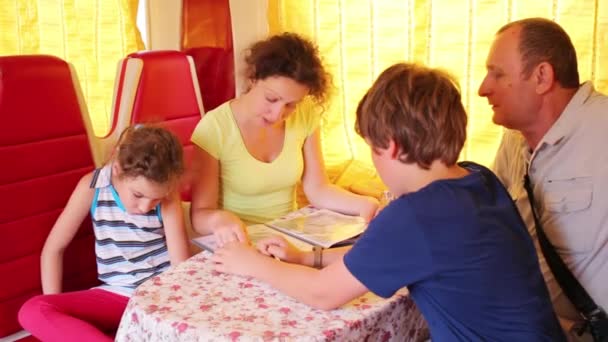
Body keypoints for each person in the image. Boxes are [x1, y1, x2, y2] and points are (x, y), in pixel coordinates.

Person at [212, 62, 566, 341]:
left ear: (391, 147)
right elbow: (381, 257)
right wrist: (306, 257)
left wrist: (252, 264)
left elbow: (322, 294)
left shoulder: (416, 215)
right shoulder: (478, 179)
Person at [478, 17, 608, 336]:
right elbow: (493, 225)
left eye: (497, 74)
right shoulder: (515, 139)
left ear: (542, 76)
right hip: (535, 325)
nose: (483, 88)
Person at [190, 32, 379, 246]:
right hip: (241, 243)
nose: (278, 114)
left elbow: (318, 189)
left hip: (290, 240)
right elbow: (200, 214)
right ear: (253, 79)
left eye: (291, 104)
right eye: (271, 99)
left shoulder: (305, 114)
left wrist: (366, 205)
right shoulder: (215, 128)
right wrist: (221, 220)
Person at [18, 125, 191, 342]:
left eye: (155, 198)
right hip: (116, 296)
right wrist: (57, 321)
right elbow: (53, 249)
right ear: (117, 169)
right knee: (34, 310)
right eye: (138, 194)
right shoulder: (92, 186)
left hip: (159, 296)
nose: (146, 206)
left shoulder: (167, 197)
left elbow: (180, 269)